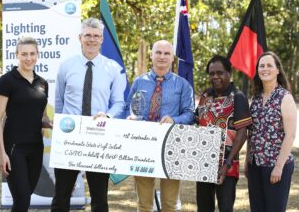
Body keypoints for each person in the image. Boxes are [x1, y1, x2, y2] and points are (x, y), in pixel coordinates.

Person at [51, 17, 125, 212]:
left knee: (99, 197)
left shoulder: (113, 69)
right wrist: (61, 130)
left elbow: (119, 103)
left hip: (98, 137)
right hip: (69, 137)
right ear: (80, 37)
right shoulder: (66, 66)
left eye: (96, 36)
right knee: (61, 195)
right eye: (88, 35)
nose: (91, 39)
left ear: (102, 39)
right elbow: (59, 101)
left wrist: (108, 116)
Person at [125, 40, 194, 212]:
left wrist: (175, 120)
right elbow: (130, 108)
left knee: (169, 204)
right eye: (158, 53)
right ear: (151, 55)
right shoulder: (139, 82)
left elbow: (190, 113)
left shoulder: (183, 85)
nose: (162, 57)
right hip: (142, 145)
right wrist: (131, 118)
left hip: (171, 146)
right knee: (144, 204)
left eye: (166, 53)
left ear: (172, 58)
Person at [0, 37, 51, 212]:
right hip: (14, 149)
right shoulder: (6, 81)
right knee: (22, 200)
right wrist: (1, 153)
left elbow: (41, 117)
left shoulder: (42, 83)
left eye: (32, 54)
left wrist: (52, 124)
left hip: (36, 148)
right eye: (24, 54)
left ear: (38, 55)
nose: (28, 58)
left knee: (26, 195)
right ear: (17, 55)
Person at [194, 55, 252, 212]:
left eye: (219, 73)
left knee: (225, 208)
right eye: (211, 73)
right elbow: (195, 124)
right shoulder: (205, 96)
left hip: (227, 167)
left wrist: (226, 164)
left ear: (229, 73)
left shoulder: (237, 97)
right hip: (203, 163)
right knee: (204, 208)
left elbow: (242, 134)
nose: (215, 77)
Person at [246, 51, 296, 212]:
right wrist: (248, 159)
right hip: (255, 165)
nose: (265, 69)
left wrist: (279, 167)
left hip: (275, 165)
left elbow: (290, 135)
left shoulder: (284, 97)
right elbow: (251, 132)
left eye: (269, 65)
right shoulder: (255, 98)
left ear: (277, 70)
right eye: (261, 66)